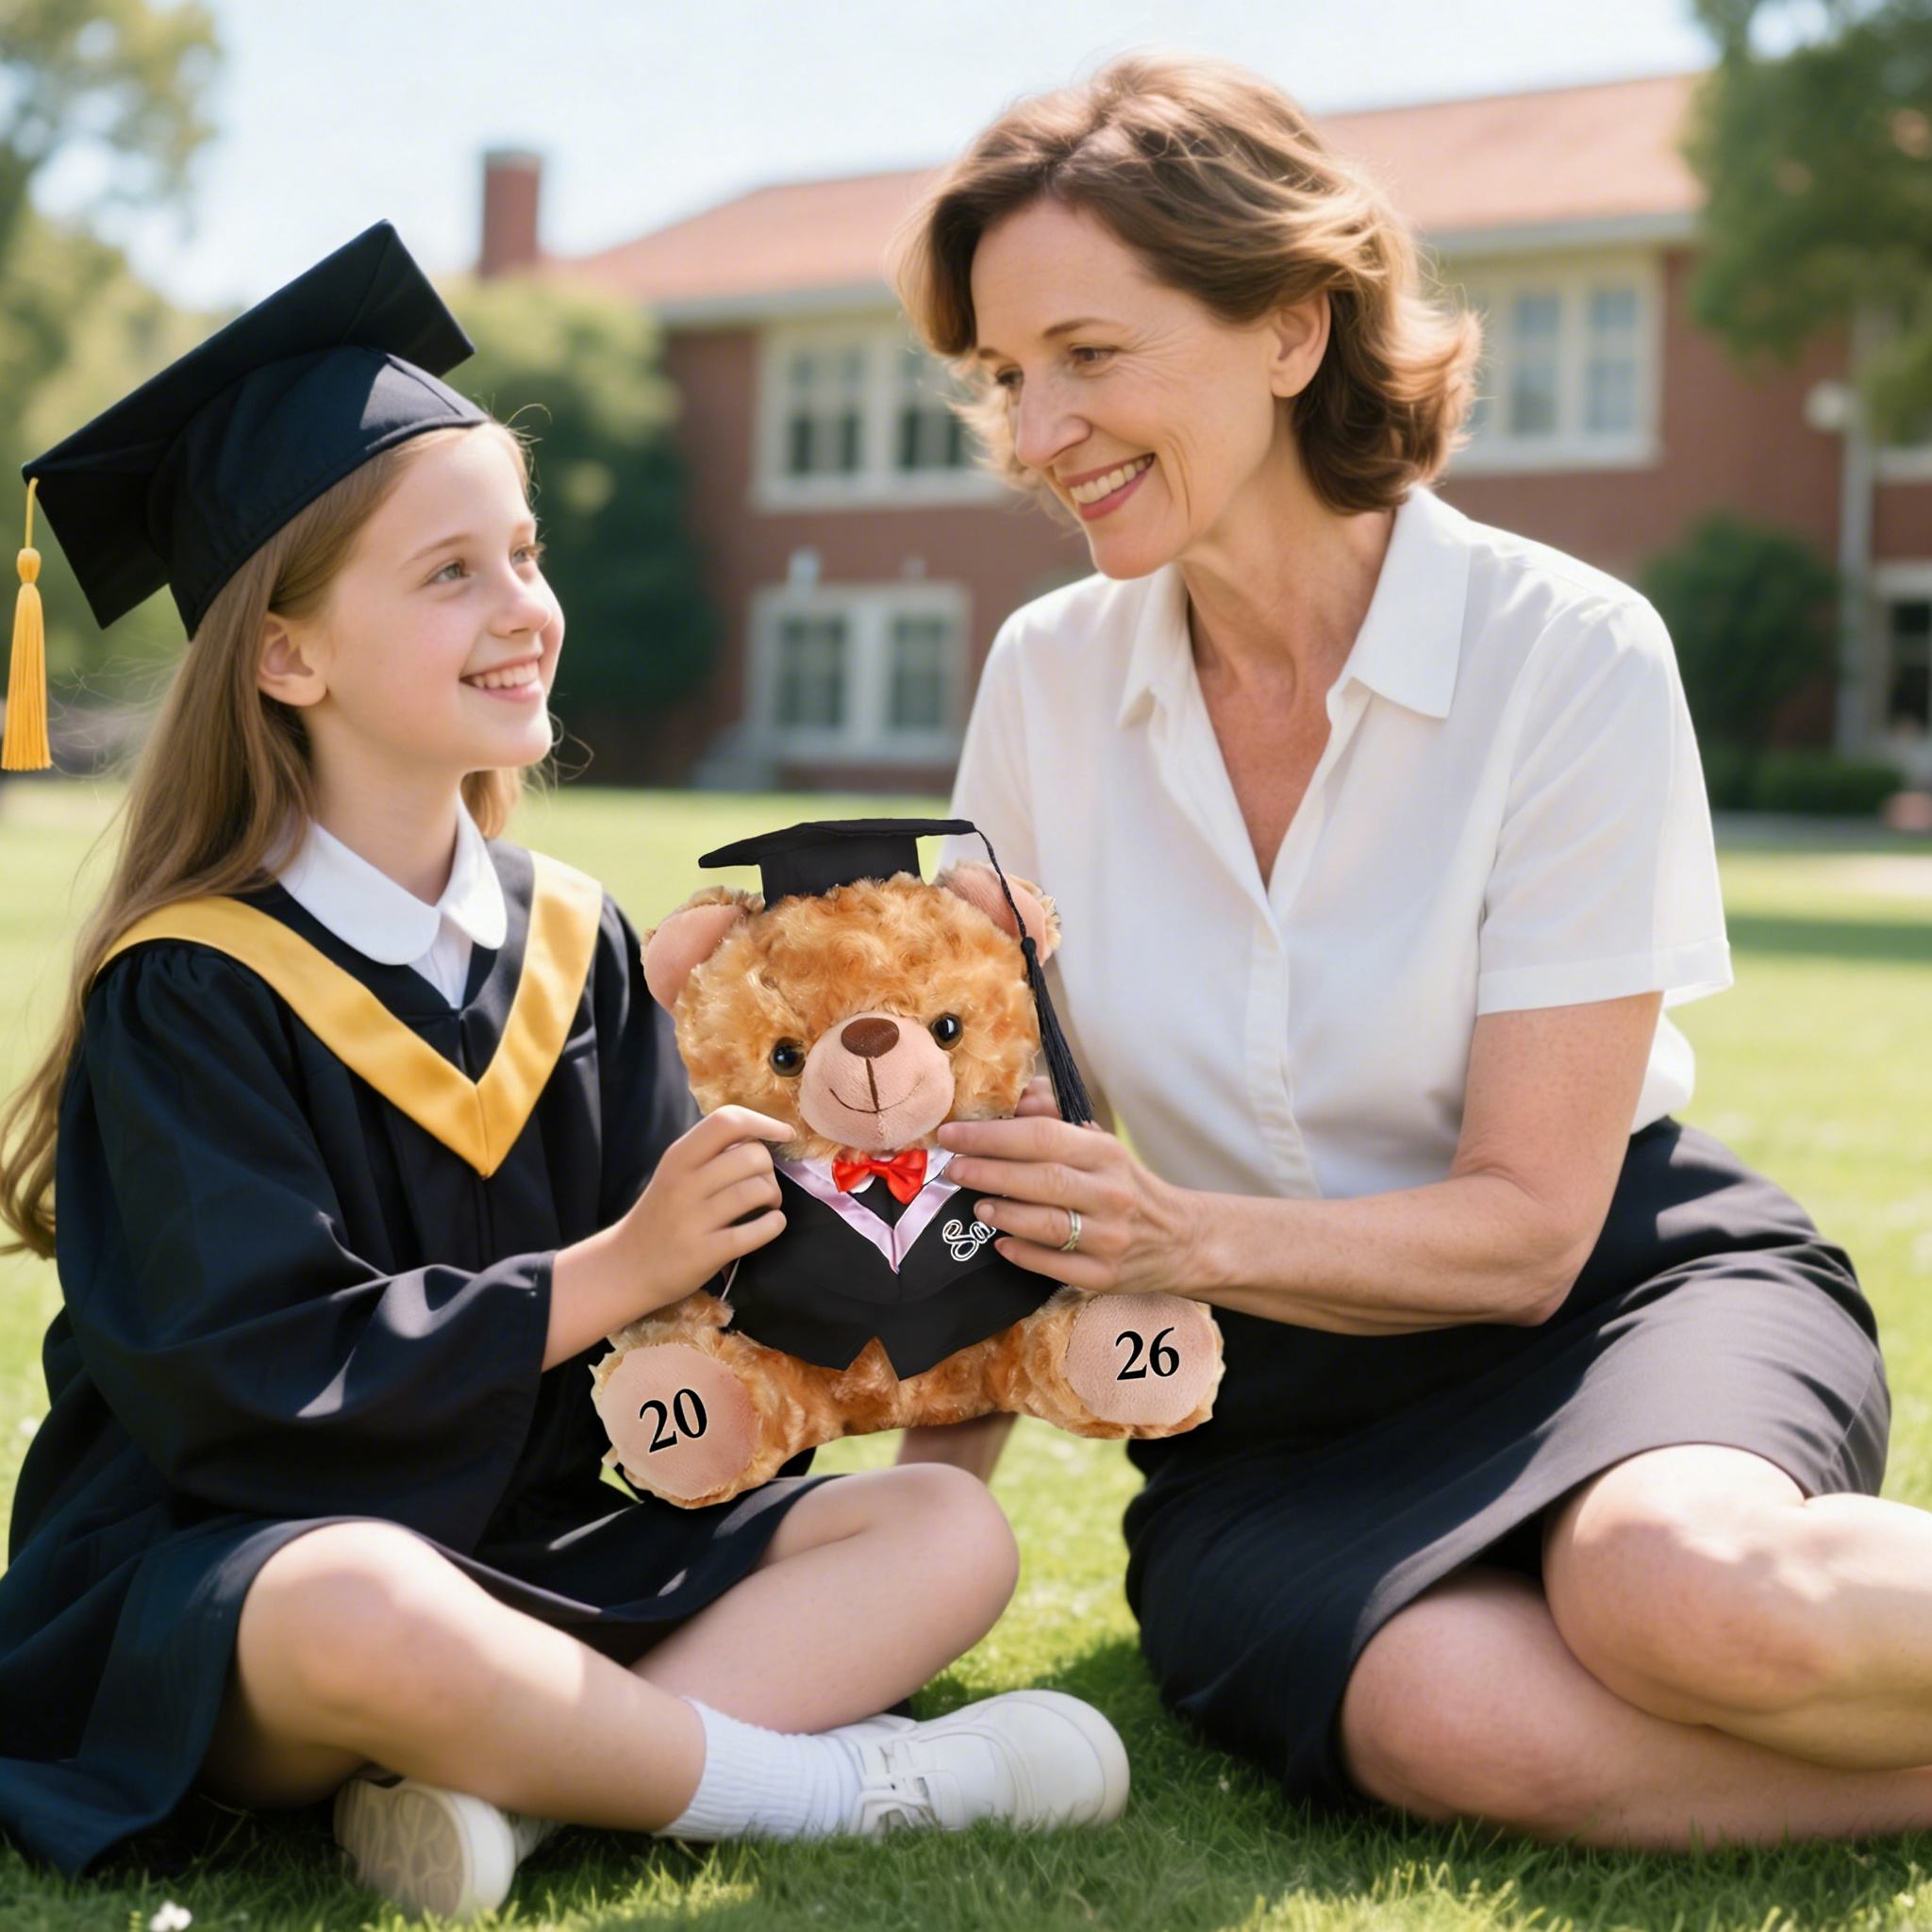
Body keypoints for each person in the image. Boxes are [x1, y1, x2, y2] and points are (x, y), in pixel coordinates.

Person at [0, 223, 1128, 1924]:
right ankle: (833, 1790)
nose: (522, 605)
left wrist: (916, 1188)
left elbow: (718, 1324)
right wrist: (615, 1271)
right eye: (447, 572)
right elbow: (239, 1392)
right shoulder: (196, 988)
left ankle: (522, 1797)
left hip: (546, 1555)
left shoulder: (579, 942)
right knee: (360, 1609)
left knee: (947, 1540)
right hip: (253, 1575)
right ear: (287, 658)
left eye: (521, 555)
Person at [885, 54, 1929, 1850]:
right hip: (1265, 1418)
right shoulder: (1043, 683)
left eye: (1091, 354)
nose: (1036, 429)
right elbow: (993, 1160)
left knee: (1685, 1597)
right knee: (1457, 1729)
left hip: (1613, 1295)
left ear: (1294, 327)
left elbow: (1527, 1231)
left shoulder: (1568, 655)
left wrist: (1177, 1232)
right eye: (1005, 373)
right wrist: (907, 1554)